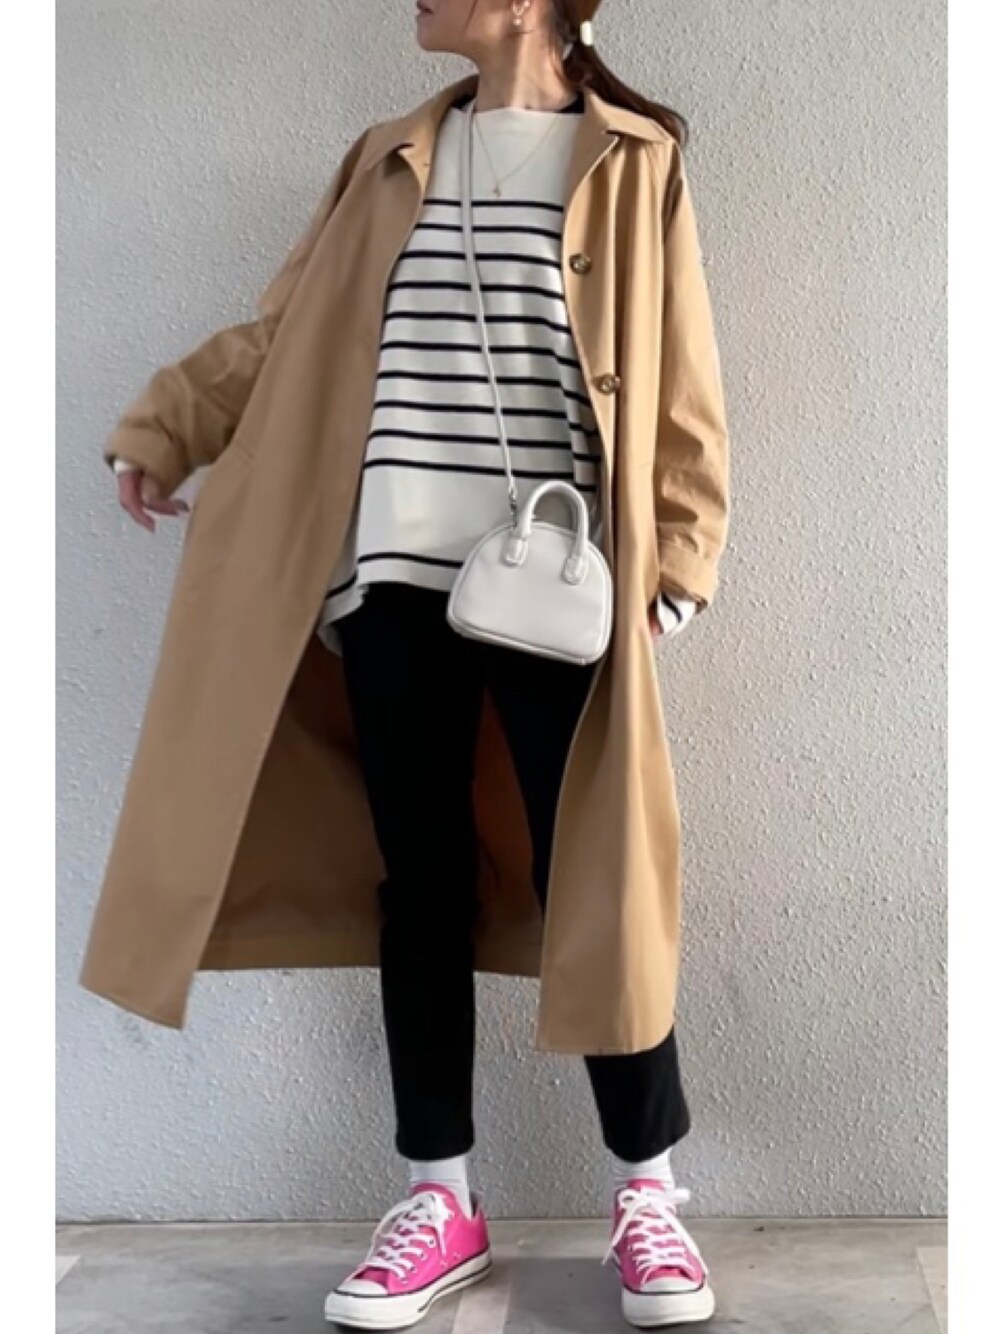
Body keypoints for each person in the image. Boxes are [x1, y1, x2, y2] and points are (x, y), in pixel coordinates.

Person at [99, 1, 730, 1328]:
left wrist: (676, 565)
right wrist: (167, 423)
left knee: (598, 876)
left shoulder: (634, 161)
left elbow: (681, 378)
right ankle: (439, 1194)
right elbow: (287, 334)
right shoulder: (389, 157)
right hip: (391, 574)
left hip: (560, 584)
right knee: (422, 881)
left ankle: (649, 1193)